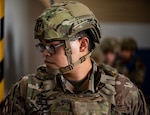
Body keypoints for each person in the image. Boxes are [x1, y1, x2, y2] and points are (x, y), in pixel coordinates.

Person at [0, 1, 149, 114]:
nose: (45, 53)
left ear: (83, 45)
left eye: (52, 46)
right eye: (42, 46)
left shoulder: (124, 93)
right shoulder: (27, 90)